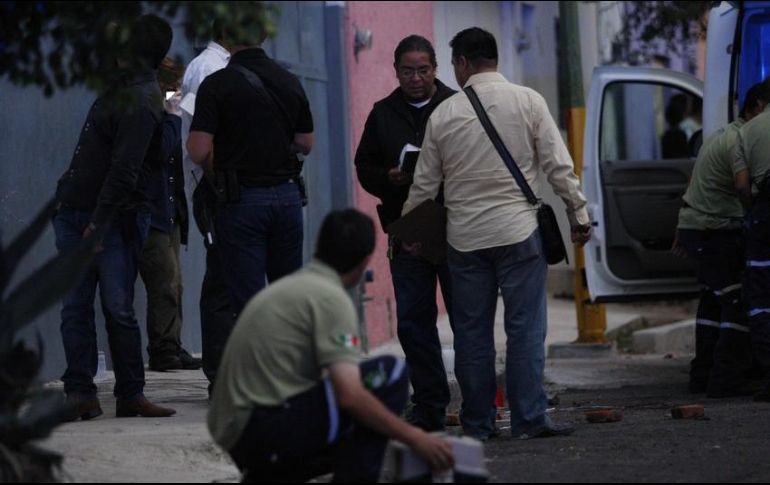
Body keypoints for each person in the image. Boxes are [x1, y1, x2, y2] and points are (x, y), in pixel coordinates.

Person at [402, 27, 591, 441]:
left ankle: (478, 424)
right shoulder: (529, 102)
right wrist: (578, 213)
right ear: (494, 58)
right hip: (519, 232)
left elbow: (424, 187)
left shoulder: (444, 114)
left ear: (464, 64)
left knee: (471, 334)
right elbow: (559, 167)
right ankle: (528, 419)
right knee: (524, 329)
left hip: (465, 240)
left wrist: (409, 234)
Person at [208, 209, 454, 482]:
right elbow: (349, 394)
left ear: (319, 247)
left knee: (355, 403)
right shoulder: (330, 299)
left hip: (237, 432)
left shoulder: (292, 287)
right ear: (363, 263)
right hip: (263, 429)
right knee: (390, 373)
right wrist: (415, 438)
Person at [53, 14, 176, 420]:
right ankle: (80, 393)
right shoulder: (119, 89)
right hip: (75, 212)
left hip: (109, 222)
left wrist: (99, 223)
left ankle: (130, 394)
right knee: (75, 307)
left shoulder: (142, 101)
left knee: (117, 307)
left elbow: (125, 170)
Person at [355, 35, 456, 432]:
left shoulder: (455, 106)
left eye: (423, 70)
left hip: (454, 226)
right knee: (414, 320)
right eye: (407, 71)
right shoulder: (383, 113)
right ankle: (430, 405)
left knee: (466, 318)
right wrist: (389, 177)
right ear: (396, 71)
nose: (416, 78)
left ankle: (479, 404)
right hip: (407, 228)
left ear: (436, 69)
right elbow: (364, 166)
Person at [187, 24, 314, 318]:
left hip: (241, 200)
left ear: (226, 37)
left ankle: (256, 362)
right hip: (287, 196)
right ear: (264, 35)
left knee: (248, 301)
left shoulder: (216, 84)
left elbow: (198, 149)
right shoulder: (289, 81)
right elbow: (306, 143)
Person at [673, 83, 769, 397]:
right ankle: (725, 381)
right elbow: (743, 186)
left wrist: (682, 227)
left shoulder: (722, 134)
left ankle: (701, 378)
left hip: (699, 227)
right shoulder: (738, 138)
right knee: (737, 302)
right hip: (712, 229)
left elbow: (692, 182)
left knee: (713, 304)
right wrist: (755, 209)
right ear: (756, 106)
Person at [179, 22, 233, 390]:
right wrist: (219, 182)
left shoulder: (220, 66)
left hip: (225, 185)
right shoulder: (208, 68)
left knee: (231, 277)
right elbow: (203, 140)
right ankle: (220, 374)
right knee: (222, 279)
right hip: (215, 186)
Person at [138, 57, 201, 372]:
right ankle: (163, 349)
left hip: (171, 208)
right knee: (164, 280)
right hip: (153, 211)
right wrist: (173, 115)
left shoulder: (169, 117)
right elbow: (161, 151)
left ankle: (171, 345)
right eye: (172, 89)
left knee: (175, 282)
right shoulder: (153, 116)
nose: (175, 94)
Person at [734, 80, 770, 401]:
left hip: (764, 216)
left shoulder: (746, 131)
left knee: (760, 298)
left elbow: (742, 187)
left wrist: (752, 210)